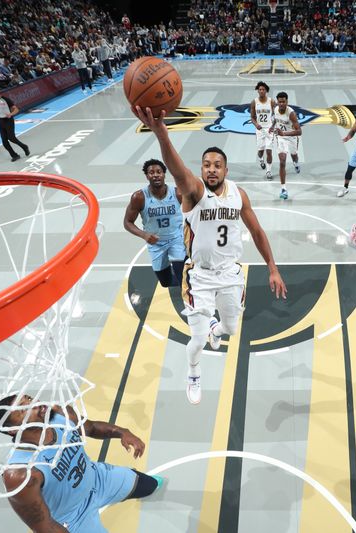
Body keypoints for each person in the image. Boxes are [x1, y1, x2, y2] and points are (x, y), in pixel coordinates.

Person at [133, 105, 287, 405]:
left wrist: (272, 267)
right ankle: (193, 372)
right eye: (206, 165)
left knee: (229, 329)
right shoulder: (193, 192)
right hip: (200, 276)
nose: (212, 169)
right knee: (199, 340)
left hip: (230, 273)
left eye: (217, 165)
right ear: (201, 169)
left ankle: (218, 328)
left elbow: (256, 231)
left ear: (226, 170)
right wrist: (161, 132)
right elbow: (177, 169)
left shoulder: (238, 194)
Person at [0, 394, 164, 532]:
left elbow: (90, 428)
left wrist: (122, 432)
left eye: (29, 398)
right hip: (73, 518)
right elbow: (44, 527)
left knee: (149, 485)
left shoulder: (59, 414)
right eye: (24, 409)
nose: (35, 403)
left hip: (98, 478)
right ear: (13, 430)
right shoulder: (20, 474)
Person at [124, 159, 186, 287]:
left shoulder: (177, 193)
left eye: (159, 172)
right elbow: (127, 222)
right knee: (165, 282)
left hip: (177, 240)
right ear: (147, 176)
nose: (156, 175)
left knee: (183, 278)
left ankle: (191, 295)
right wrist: (144, 234)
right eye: (151, 172)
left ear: (164, 174)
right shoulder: (139, 197)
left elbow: (194, 210)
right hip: (156, 243)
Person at [269, 91, 301, 200]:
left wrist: (285, 133)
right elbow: (275, 120)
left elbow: (299, 132)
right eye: (280, 102)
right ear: (277, 102)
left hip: (292, 137)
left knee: (294, 156)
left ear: (287, 101)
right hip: (281, 138)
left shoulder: (291, 114)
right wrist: (272, 126)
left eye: (283, 101)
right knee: (282, 161)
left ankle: (296, 163)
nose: (281, 104)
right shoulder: (275, 110)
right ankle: (283, 189)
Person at [0, 86, 30, 162]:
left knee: (12, 138)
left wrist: (11, 114)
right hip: (0, 121)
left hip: (8, 120)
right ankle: (15, 155)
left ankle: (24, 147)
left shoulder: (6, 100)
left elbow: (16, 109)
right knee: (4, 142)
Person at [250, 81, 275, 180]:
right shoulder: (254, 102)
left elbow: (277, 114)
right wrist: (256, 124)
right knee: (261, 151)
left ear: (266, 91)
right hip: (259, 129)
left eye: (263, 89)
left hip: (269, 129)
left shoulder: (272, 101)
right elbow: (252, 117)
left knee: (269, 151)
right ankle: (261, 159)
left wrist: (273, 126)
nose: (261, 91)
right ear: (258, 90)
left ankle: (268, 171)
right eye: (259, 89)